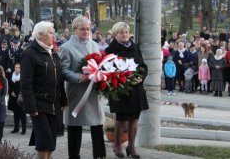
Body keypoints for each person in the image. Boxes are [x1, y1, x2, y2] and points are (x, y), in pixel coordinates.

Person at [59, 16, 106, 159]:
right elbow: (63, 71)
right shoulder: (66, 47)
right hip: (77, 91)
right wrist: (80, 77)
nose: (86, 31)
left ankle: (99, 156)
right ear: (75, 30)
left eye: (88, 29)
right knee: (75, 125)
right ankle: (74, 155)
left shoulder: (94, 45)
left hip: (93, 92)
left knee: (97, 124)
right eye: (82, 29)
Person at [21, 21, 67, 159]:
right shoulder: (29, 53)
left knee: (51, 142)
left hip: (54, 104)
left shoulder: (53, 52)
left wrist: (63, 100)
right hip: (39, 104)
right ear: (40, 35)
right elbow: (26, 84)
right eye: (50, 33)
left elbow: (59, 79)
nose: (53, 36)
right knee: (44, 142)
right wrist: (31, 107)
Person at [105, 22, 149, 158]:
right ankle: (117, 145)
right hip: (120, 89)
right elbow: (107, 69)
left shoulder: (135, 47)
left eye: (126, 32)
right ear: (115, 34)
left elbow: (143, 65)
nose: (124, 35)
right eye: (121, 32)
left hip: (136, 88)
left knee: (134, 118)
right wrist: (120, 77)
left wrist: (141, 77)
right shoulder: (110, 50)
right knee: (122, 118)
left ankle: (131, 146)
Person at [8, 63, 26, 134]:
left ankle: (24, 128)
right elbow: (9, 85)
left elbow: (24, 86)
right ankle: (16, 127)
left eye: (19, 67)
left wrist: (18, 93)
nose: (17, 69)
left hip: (20, 97)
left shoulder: (23, 76)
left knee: (22, 114)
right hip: (13, 97)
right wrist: (11, 92)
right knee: (15, 113)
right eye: (16, 67)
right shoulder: (11, 75)